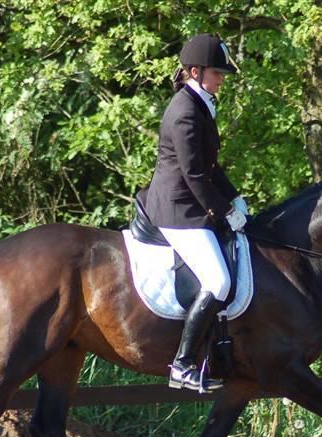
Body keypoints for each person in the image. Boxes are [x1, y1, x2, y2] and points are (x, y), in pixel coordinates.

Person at [139, 33, 249, 392]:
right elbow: (195, 174)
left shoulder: (200, 102)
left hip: (190, 202)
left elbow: (211, 165)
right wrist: (221, 211)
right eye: (217, 73)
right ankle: (183, 365)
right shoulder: (185, 110)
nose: (221, 79)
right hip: (178, 211)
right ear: (195, 71)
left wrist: (236, 198)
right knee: (218, 281)